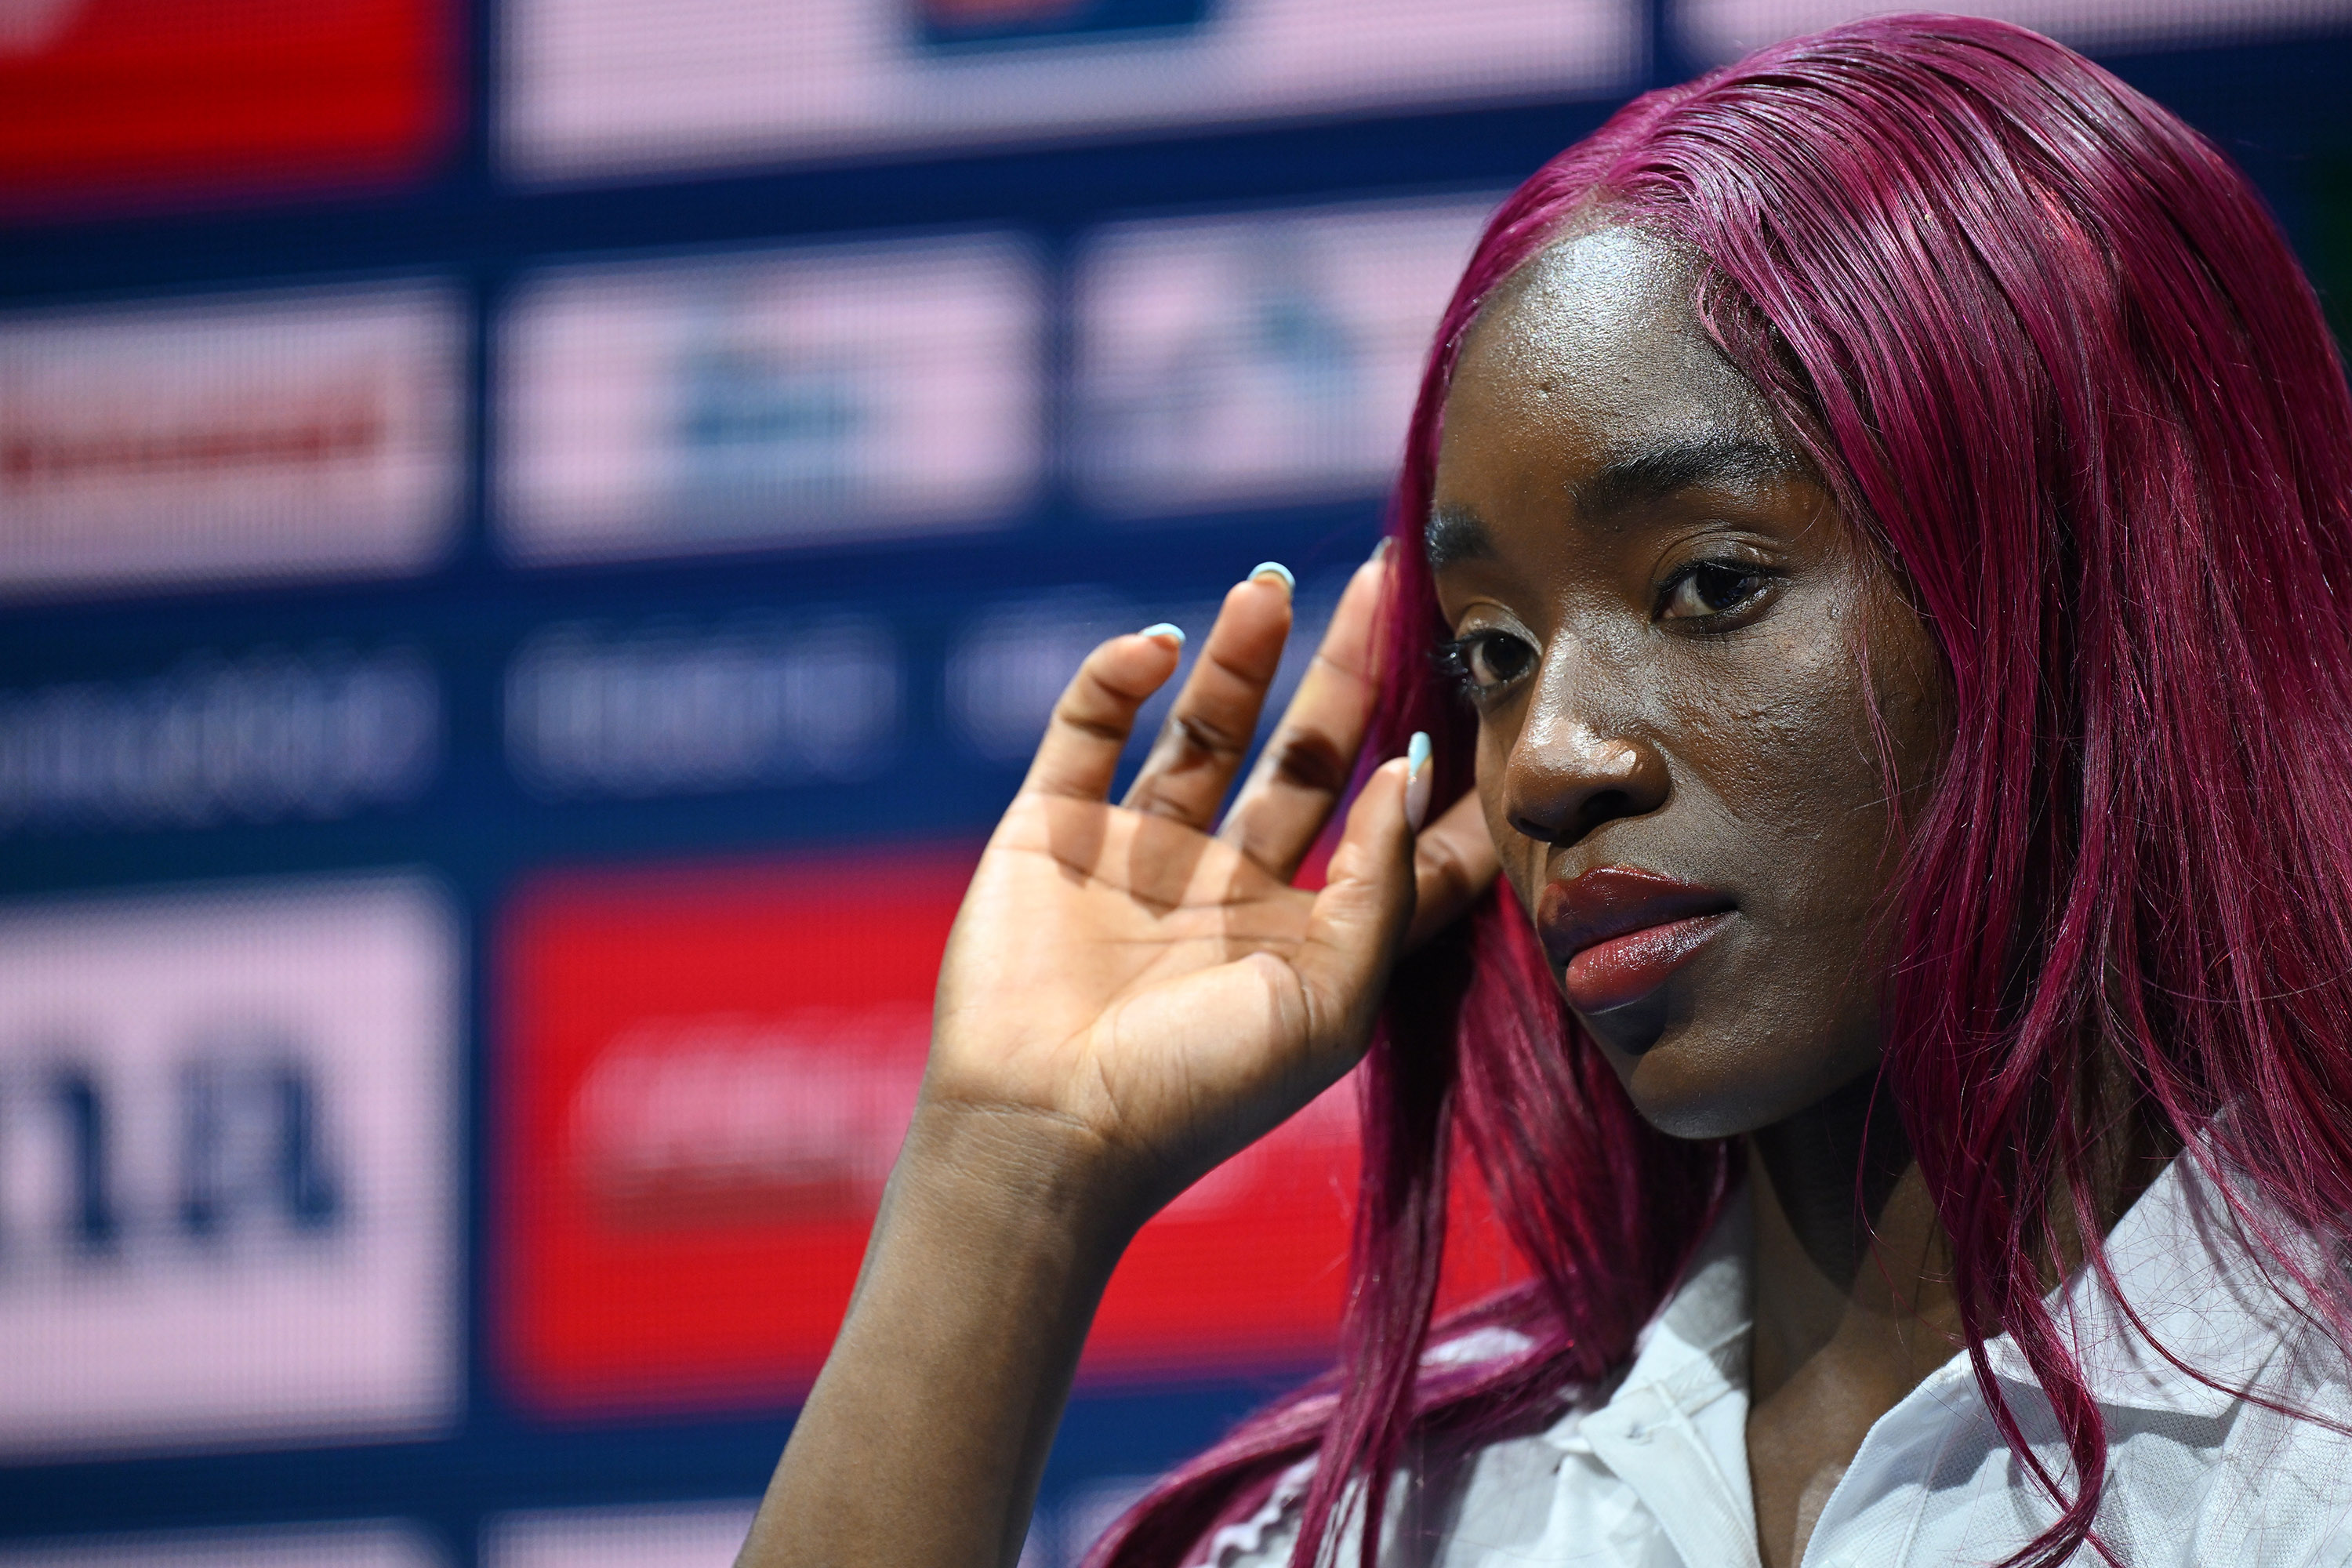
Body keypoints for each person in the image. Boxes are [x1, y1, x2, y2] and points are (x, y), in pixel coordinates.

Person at [743, 15, 2352, 1566]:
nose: (1547, 762)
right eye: (1494, 654)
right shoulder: (1383, 1528)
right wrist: (1011, 1166)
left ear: (2106, 575)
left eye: (1709, 585)